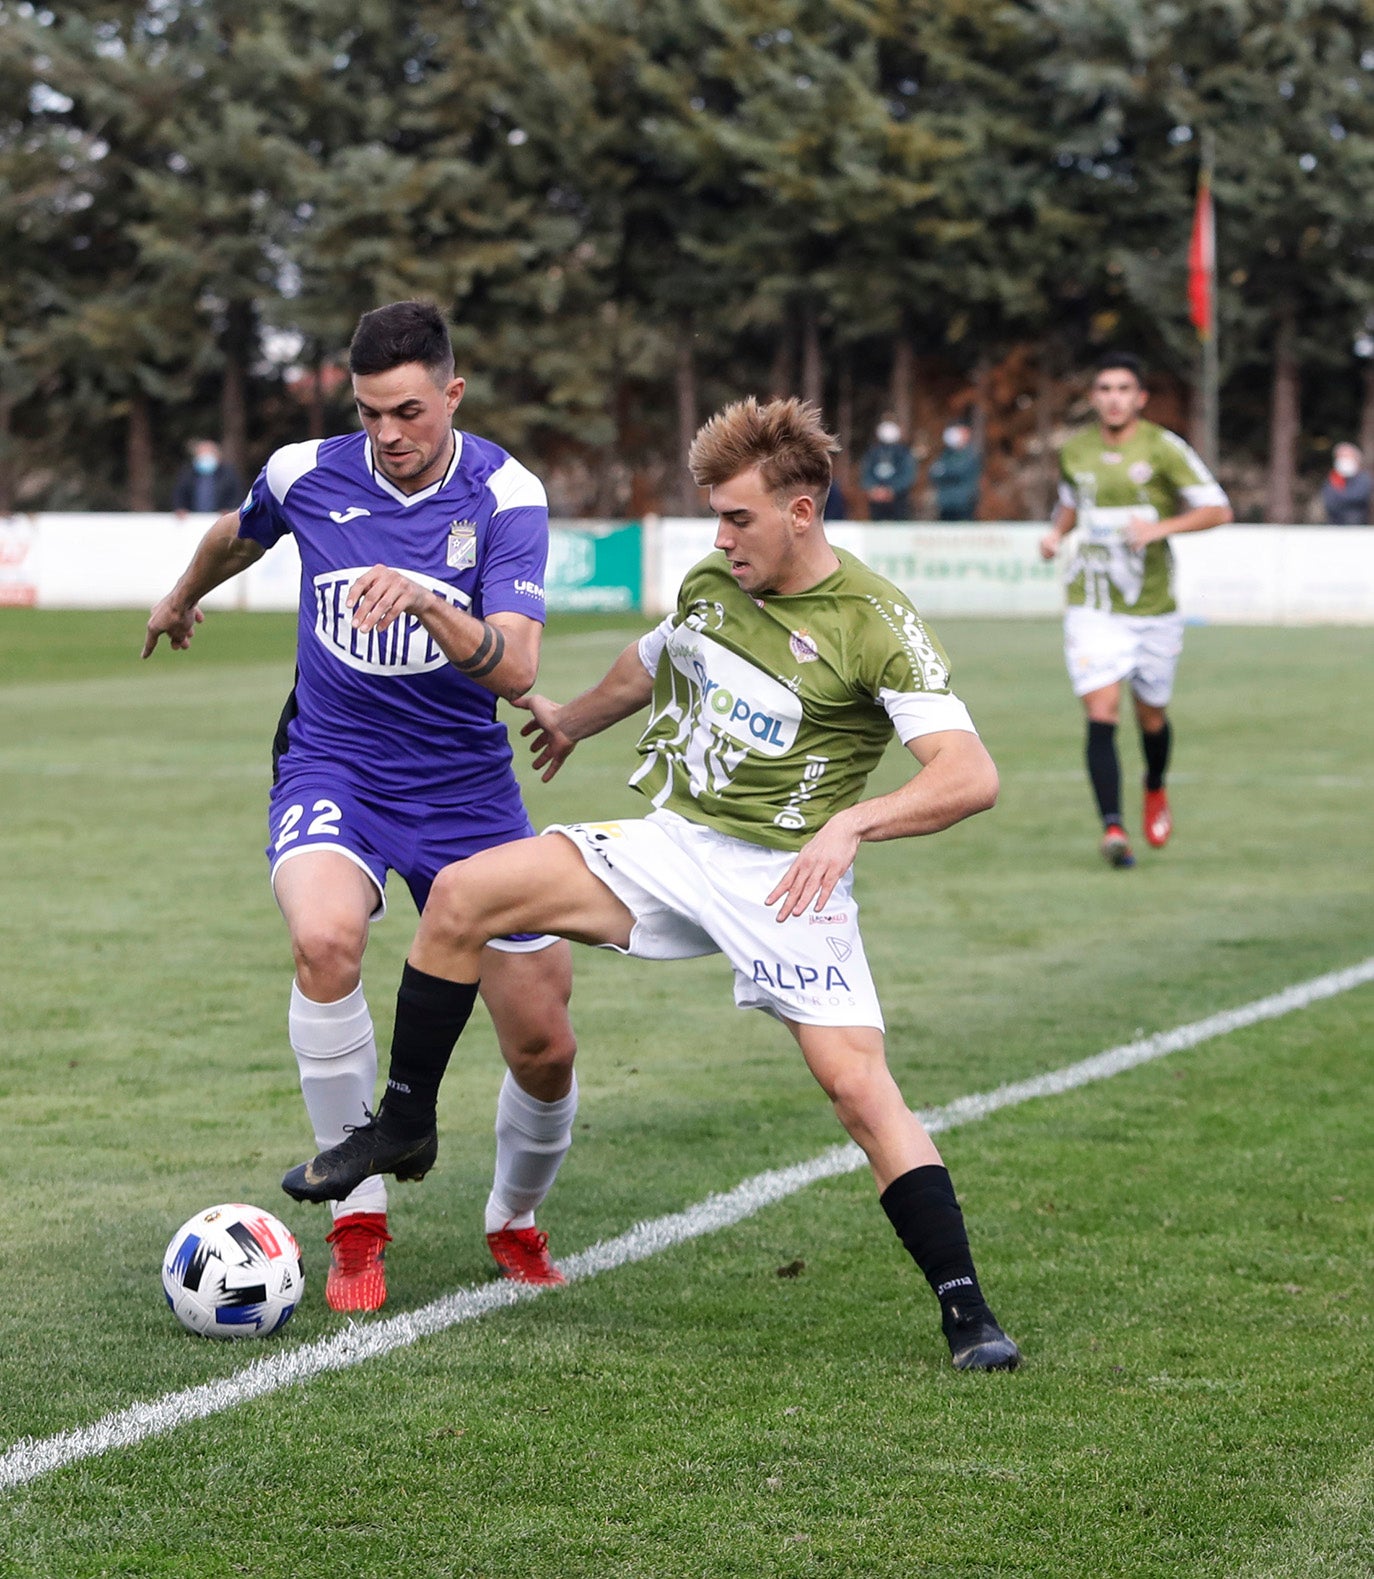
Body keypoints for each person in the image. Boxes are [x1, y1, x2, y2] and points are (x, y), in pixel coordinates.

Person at [285, 395, 1021, 1373]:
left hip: (783, 879)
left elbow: (970, 774)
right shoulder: (717, 579)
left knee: (857, 1088)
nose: (720, 536)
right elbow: (653, 660)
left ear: (802, 511)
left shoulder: (873, 621)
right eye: (714, 514)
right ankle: (407, 1122)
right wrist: (575, 721)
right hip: (675, 848)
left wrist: (853, 821)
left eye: (739, 516)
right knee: (462, 895)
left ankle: (967, 1312)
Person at [143, 300, 579, 1311]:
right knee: (326, 939)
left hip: (466, 790)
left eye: (410, 411)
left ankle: (513, 1219)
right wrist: (179, 594)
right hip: (333, 763)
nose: (389, 433)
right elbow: (235, 534)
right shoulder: (308, 472)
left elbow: (514, 658)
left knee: (543, 1040)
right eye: (372, 411)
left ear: (452, 395)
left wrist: (425, 594)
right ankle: (357, 1224)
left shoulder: (506, 494)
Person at [1039, 353, 1232, 867]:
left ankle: (1154, 784)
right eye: (1104, 388)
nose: (1114, 397)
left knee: (1151, 715)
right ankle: (1113, 829)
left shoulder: (1164, 448)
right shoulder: (1075, 451)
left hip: (1152, 607)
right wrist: (1056, 535)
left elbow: (1218, 508)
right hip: (1093, 604)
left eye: (1124, 388)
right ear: (1094, 398)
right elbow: (1072, 503)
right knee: (1102, 712)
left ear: (1140, 397)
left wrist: (1158, 529)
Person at [859, 417, 918, 520]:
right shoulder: (873, 453)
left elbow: (908, 475)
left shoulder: (904, 453)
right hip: (876, 501)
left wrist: (892, 490)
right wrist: (873, 489)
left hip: (899, 502)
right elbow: (865, 473)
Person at [171, 439, 243, 517]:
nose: (205, 458)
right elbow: (179, 494)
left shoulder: (228, 474)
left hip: (219, 518)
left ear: (217, 456)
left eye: (208, 454)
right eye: (202, 454)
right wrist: (180, 508)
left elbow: (235, 495)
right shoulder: (187, 474)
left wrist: (229, 510)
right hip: (192, 520)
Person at [929, 424, 982, 521]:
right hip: (946, 501)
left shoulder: (969, 455)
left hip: (964, 502)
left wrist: (945, 472)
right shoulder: (945, 455)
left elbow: (959, 471)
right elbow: (934, 473)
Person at [1321, 442, 1372, 525]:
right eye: (1341, 457)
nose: (1343, 460)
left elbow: (1359, 497)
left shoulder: (1363, 479)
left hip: (1357, 525)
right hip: (1334, 524)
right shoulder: (1333, 478)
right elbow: (1328, 501)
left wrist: (1339, 497)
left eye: (1347, 456)